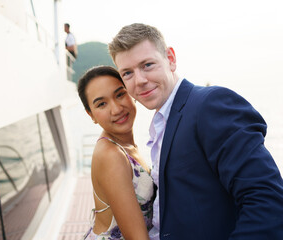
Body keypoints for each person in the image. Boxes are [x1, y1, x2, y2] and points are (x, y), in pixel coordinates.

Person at [108, 23, 283, 240]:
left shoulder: (209, 105)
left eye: (147, 65)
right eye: (128, 73)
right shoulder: (163, 121)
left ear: (170, 59)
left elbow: (266, 199)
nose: (140, 80)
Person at [77, 66, 155, 239]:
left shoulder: (125, 145)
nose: (116, 109)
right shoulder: (111, 155)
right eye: (101, 104)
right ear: (91, 115)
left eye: (120, 94)